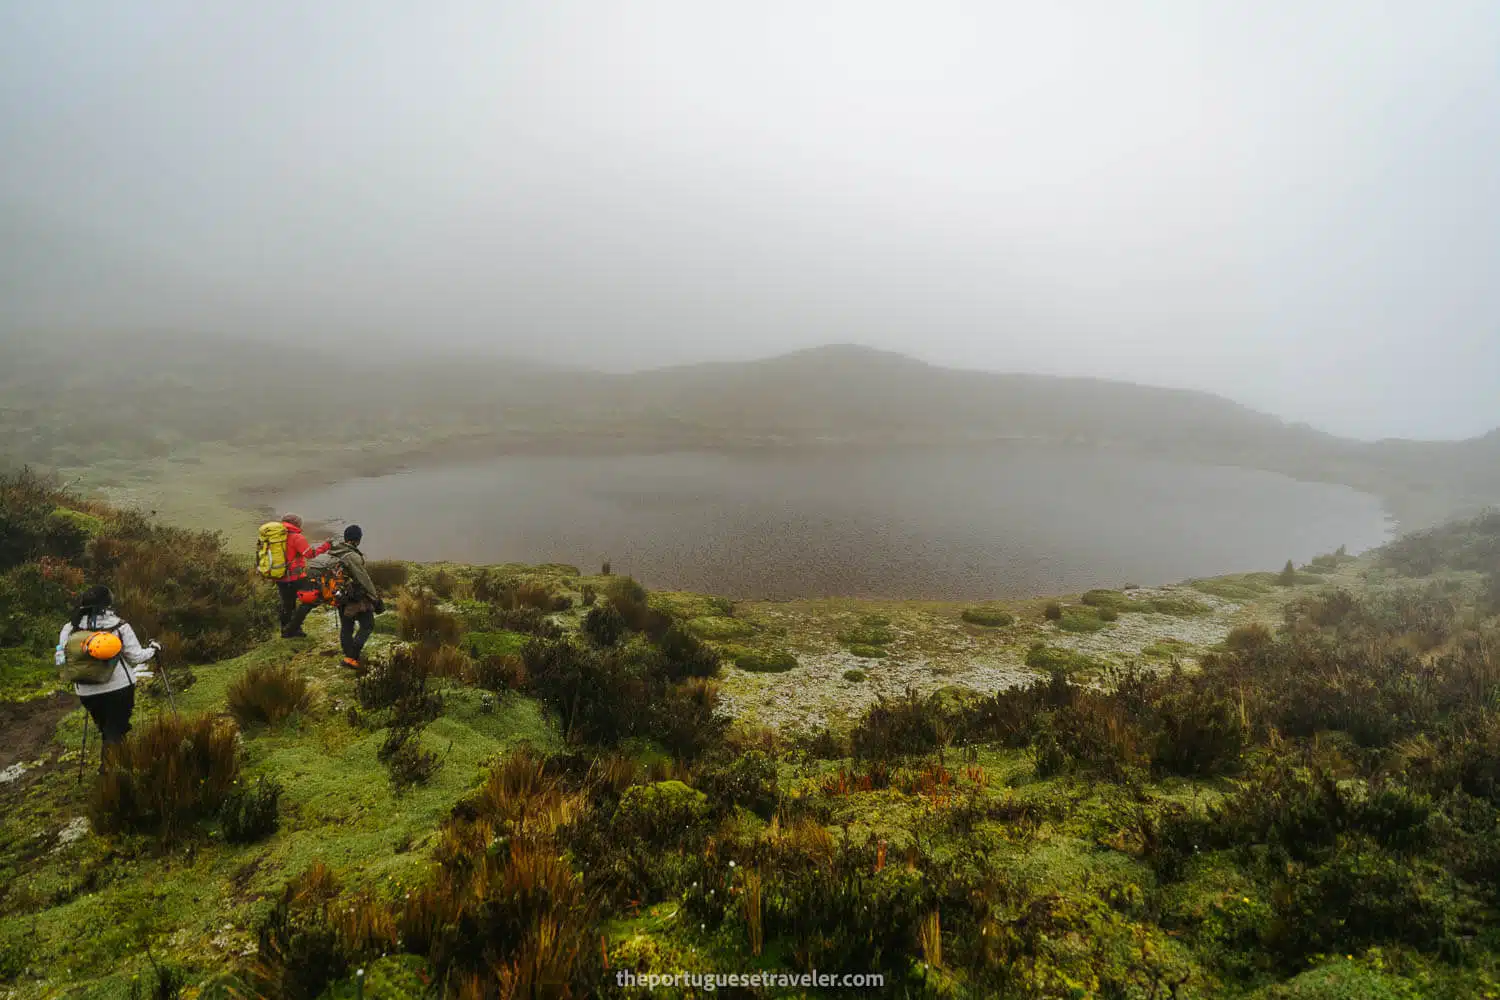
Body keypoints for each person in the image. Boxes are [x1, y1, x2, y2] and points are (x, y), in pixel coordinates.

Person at [54, 585, 158, 767]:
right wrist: (154, 650)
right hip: (119, 688)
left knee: (107, 729)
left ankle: (117, 766)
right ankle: (112, 773)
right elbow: (135, 656)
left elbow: (62, 658)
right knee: (116, 729)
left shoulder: (70, 628)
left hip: (86, 691)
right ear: (108, 603)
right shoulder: (118, 625)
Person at [328, 524, 383, 669]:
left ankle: (349, 655)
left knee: (346, 627)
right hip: (354, 598)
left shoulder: (335, 552)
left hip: (339, 596)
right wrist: (375, 598)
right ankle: (351, 658)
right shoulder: (352, 556)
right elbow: (364, 579)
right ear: (357, 539)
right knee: (367, 625)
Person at [276, 513, 332, 638]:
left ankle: (286, 630)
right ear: (296, 524)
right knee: (310, 599)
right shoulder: (297, 537)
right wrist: (325, 546)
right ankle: (293, 628)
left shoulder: (275, 537)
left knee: (287, 604)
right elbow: (310, 554)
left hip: (279, 576)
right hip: (295, 577)